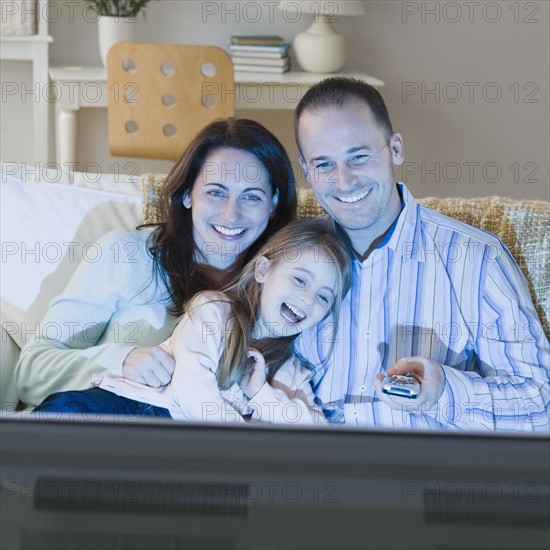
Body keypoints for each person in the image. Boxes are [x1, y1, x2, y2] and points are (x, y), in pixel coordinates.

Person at [293, 77, 550, 431]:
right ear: (306, 171)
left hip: (424, 479)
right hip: (309, 475)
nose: (345, 180)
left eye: (359, 156)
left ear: (395, 149)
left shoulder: (477, 260)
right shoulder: (286, 261)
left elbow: (541, 405)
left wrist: (445, 390)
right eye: (324, 165)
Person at [16, 118, 297, 408]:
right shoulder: (124, 254)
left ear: (274, 204)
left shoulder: (291, 286)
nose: (231, 214)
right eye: (216, 192)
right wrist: (120, 360)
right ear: (188, 193)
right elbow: (31, 373)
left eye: (251, 197)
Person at [34, 218, 353, 424]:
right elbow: (191, 390)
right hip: (135, 408)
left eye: (324, 297)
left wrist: (262, 396)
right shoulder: (214, 311)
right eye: (300, 280)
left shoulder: (291, 371)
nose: (308, 300)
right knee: (70, 417)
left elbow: (315, 431)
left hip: (183, 450)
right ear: (262, 270)